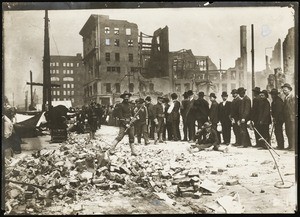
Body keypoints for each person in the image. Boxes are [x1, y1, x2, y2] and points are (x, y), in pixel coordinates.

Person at [109, 91, 137, 156]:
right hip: (123, 124)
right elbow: (120, 116)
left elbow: (133, 114)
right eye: (125, 97)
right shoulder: (120, 106)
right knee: (120, 136)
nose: (127, 98)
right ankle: (111, 148)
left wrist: (134, 118)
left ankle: (133, 151)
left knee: (132, 137)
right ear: (123, 98)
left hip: (131, 123)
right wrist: (125, 124)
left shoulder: (131, 105)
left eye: (128, 97)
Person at [281, 83, 295, 150]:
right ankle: (290, 145)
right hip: (287, 118)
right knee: (288, 131)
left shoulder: (292, 97)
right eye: (283, 90)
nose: (284, 92)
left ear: (289, 90)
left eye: (285, 90)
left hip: (291, 118)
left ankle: (293, 146)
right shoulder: (285, 98)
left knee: (292, 132)